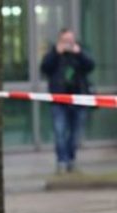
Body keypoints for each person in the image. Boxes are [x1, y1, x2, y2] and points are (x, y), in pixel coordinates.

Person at [39, 28, 94, 173]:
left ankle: (71, 159)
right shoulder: (53, 54)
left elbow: (91, 66)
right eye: (65, 41)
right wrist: (56, 53)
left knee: (76, 134)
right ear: (60, 40)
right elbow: (45, 68)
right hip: (59, 100)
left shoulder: (80, 52)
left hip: (79, 99)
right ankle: (62, 161)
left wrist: (79, 53)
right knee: (60, 132)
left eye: (70, 40)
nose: (68, 44)